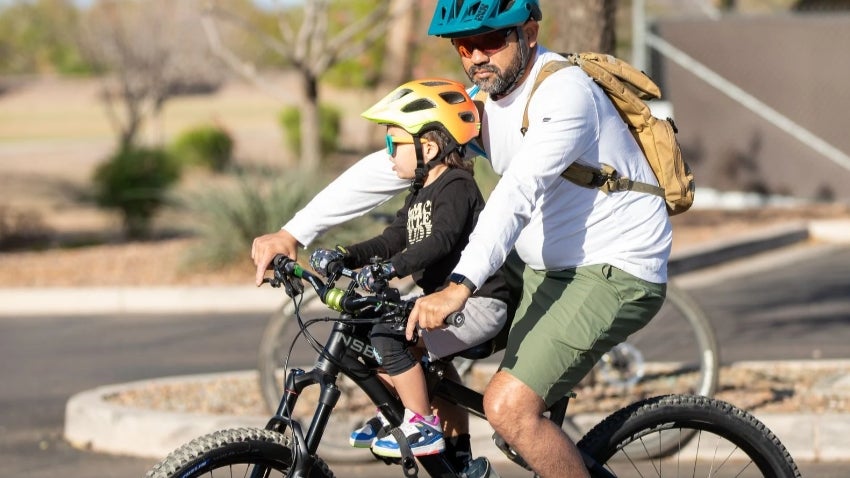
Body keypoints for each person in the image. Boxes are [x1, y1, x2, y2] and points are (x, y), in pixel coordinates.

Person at [252, 1, 671, 476]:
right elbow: (393, 163)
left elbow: (517, 193)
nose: (475, 57)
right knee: (398, 331)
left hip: (613, 266)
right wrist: (294, 232)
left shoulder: (565, 95)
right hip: (540, 258)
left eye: (490, 41)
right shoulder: (483, 105)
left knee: (510, 410)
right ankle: (458, 463)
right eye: (464, 46)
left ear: (529, 33)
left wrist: (459, 285)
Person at [304, 78, 512, 465]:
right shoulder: (419, 191)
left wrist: (389, 270)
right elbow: (394, 237)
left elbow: (442, 241)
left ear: (429, 147)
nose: (389, 155)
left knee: (388, 333)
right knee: (398, 346)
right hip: (441, 303)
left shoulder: (457, 186)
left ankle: (421, 423)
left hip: (479, 303)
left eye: (392, 144)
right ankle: (453, 453)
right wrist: (346, 255)